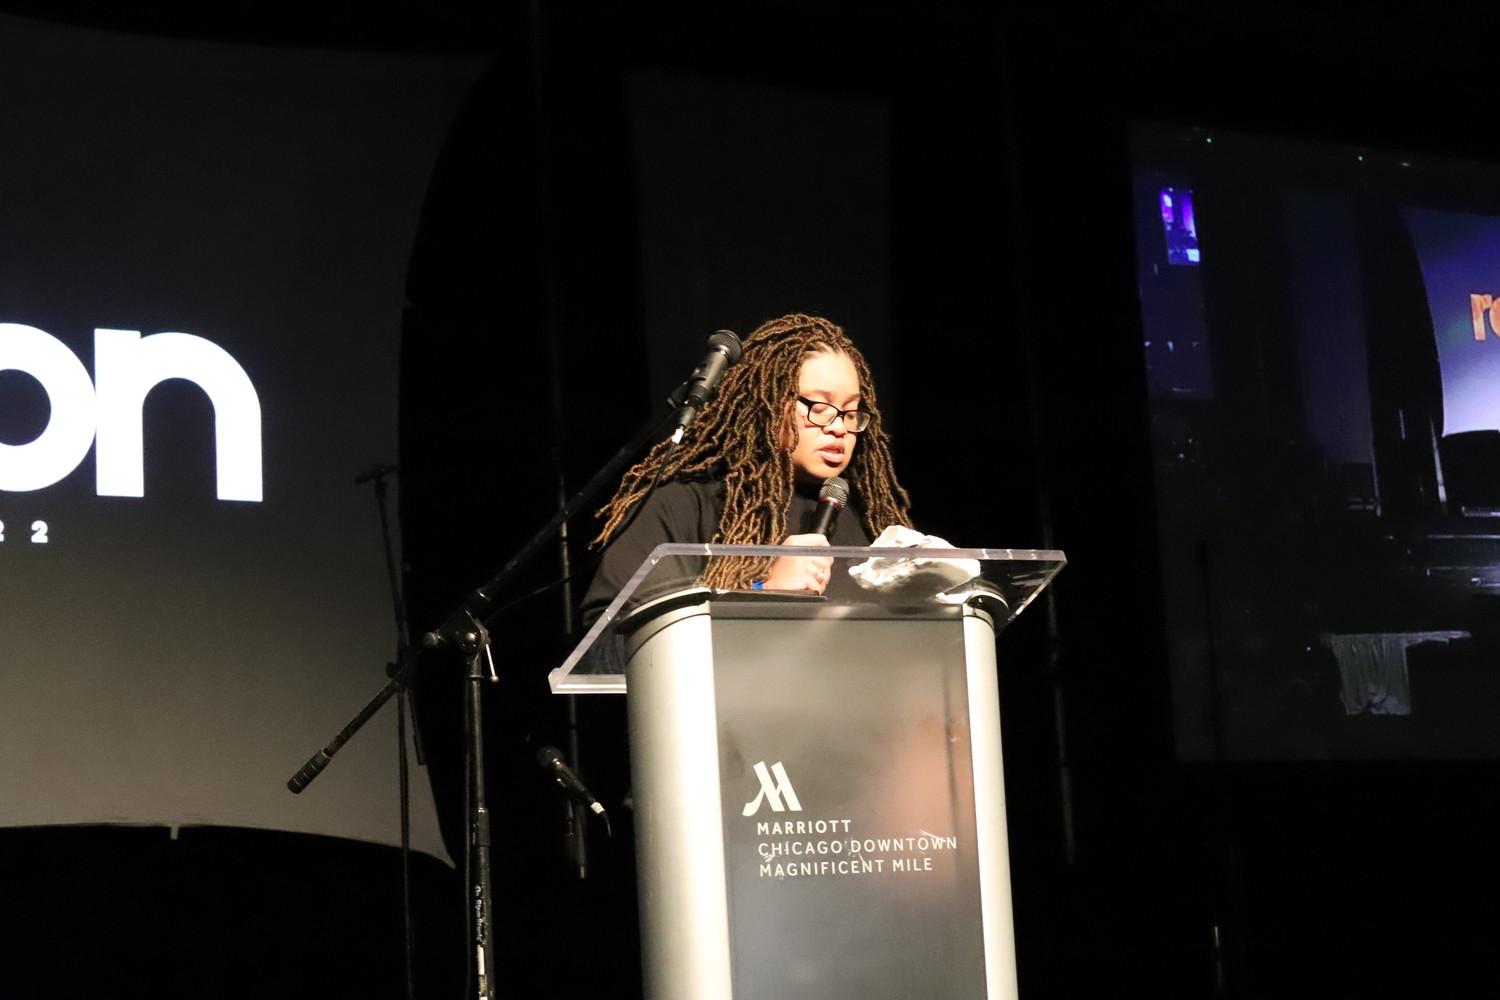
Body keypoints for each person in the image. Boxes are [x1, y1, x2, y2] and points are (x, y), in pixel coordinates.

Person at [579, 313, 911, 623]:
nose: (838, 427)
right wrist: (762, 593)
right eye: (820, 407)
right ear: (767, 402)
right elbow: (609, 639)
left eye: (850, 412)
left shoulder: (874, 525)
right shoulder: (684, 504)